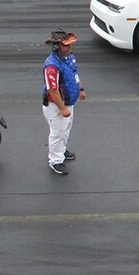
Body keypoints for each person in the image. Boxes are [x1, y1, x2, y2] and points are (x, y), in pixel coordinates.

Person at [42, 29, 85, 176]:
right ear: (57, 47)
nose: (70, 48)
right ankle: (55, 160)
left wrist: (81, 89)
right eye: (66, 45)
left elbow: (75, 73)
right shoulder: (51, 66)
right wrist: (62, 108)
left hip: (68, 103)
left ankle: (61, 150)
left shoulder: (69, 57)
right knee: (57, 133)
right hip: (56, 106)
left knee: (65, 130)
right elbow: (52, 91)